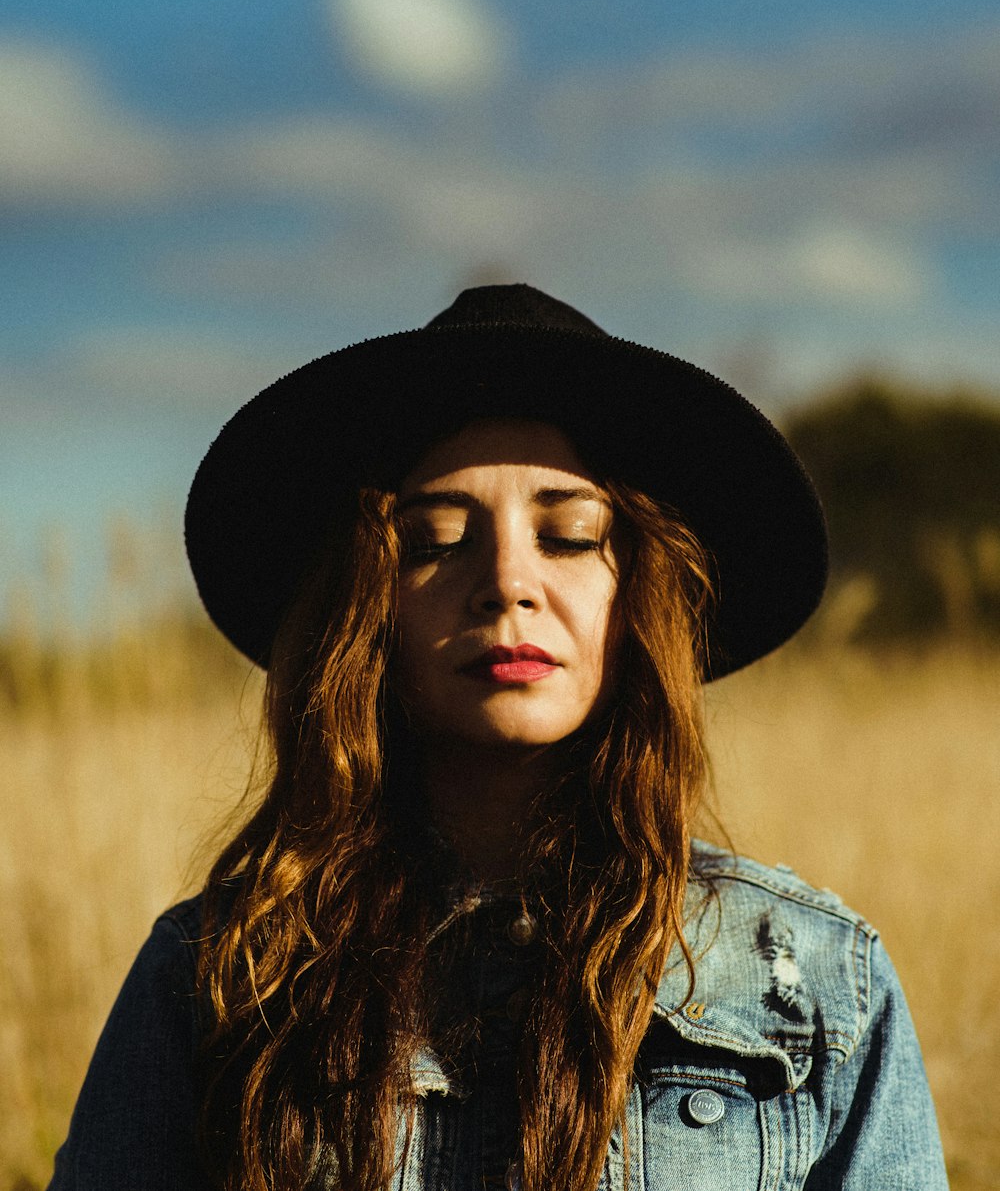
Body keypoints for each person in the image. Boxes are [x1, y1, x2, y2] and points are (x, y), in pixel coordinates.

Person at [49, 284, 948, 1190]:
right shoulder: (222, 972)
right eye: (436, 540)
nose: (507, 583)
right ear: (366, 611)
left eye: (570, 536)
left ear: (639, 594)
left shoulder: (817, 977)